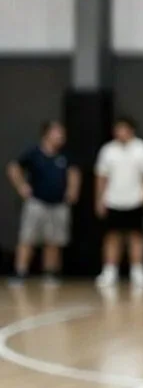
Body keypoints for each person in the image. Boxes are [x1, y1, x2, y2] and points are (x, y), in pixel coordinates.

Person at [6, 121, 79, 284]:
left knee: (53, 240)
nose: (60, 137)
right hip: (37, 202)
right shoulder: (33, 153)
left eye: (62, 134)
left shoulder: (65, 155)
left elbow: (74, 172)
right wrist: (21, 186)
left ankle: (50, 272)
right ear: (46, 134)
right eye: (57, 133)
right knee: (27, 237)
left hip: (59, 203)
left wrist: (72, 190)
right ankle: (21, 271)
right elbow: (13, 167)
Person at [94, 116, 143, 289]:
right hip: (113, 200)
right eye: (117, 129)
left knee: (136, 236)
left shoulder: (142, 149)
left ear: (131, 130)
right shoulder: (107, 150)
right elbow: (101, 177)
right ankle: (109, 271)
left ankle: (138, 271)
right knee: (112, 237)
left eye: (123, 129)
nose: (120, 133)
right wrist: (99, 199)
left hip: (135, 200)